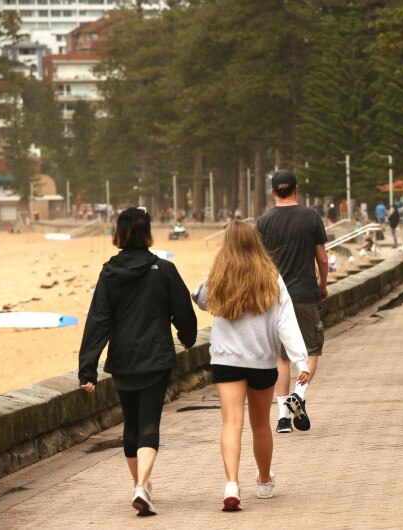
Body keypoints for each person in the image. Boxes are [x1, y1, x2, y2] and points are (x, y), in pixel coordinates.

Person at [78, 207, 197, 516]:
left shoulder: (109, 272)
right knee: (148, 422)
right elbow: (183, 309)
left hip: (123, 360)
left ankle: (140, 484)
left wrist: (87, 369)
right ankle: (142, 485)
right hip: (155, 358)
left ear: (120, 233)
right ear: (146, 234)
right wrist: (187, 334)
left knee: (131, 424)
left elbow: (99, 320)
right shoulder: (164, 270)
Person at [192, 221, 310, 511]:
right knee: (260, 425)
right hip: (261, 360)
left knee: (231, 423)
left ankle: (231, 483)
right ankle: (265, 480)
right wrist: (300, 359)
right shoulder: (272, 277)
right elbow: (287, 321)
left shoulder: (219, 276)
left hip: (226, 360)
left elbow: (203, 301)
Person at [256, 169, 328, 434]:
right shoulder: (311, 216)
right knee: (311, 349)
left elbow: (259, 263)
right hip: (305, 293)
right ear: (296, 189)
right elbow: (322, 258)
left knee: (281, 357)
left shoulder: (263, 220)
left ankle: (283, 418)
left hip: (274, 296)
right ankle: (299, 394)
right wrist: (323, 285)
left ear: (274, 192)